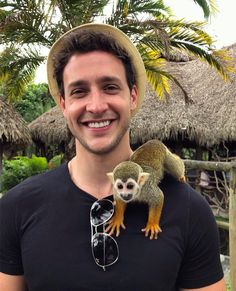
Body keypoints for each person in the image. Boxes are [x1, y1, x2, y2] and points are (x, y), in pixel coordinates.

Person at [0, 23, 226, 291]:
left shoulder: (189, 210)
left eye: (109, 87)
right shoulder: (17, 207)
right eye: (79, 91)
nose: (96, 106)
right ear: (63, 104)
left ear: (132, 96)